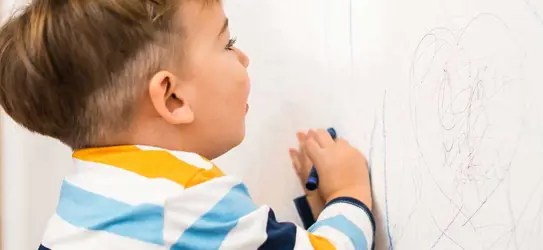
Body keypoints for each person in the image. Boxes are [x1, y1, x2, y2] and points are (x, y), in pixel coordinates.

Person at [0, 0, 374, 249]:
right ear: (172, 97)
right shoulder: (187, 196)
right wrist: (348, 190)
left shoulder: (85, 198)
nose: (243, 58)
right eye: (228, 44)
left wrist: (315, 205)